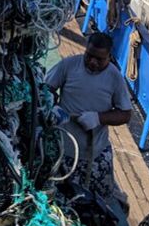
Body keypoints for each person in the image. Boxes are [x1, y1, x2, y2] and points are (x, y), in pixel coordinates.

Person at [46, 32, 132, 211]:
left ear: (109, 57)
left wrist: (99, 118)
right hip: (63, 150)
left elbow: (125, 114)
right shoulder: (68, 65)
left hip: (95, 152)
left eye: (99, 59)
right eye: (89, 55)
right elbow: (46, 88)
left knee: (100, 202)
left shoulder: (115, 78)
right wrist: (53, 106)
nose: (93, 62)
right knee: (59, 200)